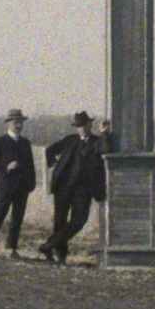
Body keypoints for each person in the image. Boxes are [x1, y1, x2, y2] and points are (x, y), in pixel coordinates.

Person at [39, 110, 107, 263]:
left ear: (90, 124)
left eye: (84, 124)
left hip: (84, 188)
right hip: (63, 186)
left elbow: (105, 149)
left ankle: (49, 245)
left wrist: (104, 132)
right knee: (59, 221)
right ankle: (59, 255)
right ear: (76, 127)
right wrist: (53, 163)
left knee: (80, 220)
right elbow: (50, 150)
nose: (81, 128)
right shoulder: (70, 140)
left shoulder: (97, 142)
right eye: (78, 126)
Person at [0, 109, 36, 256]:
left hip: (22, 187)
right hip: (5, 186)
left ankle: (11, 248)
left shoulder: (25, 143)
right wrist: (6, 167)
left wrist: (31, 184)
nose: (18, 125)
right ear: (8, 123)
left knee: (17, 219)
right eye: (15, 122)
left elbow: (30, 165)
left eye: (20, 122)